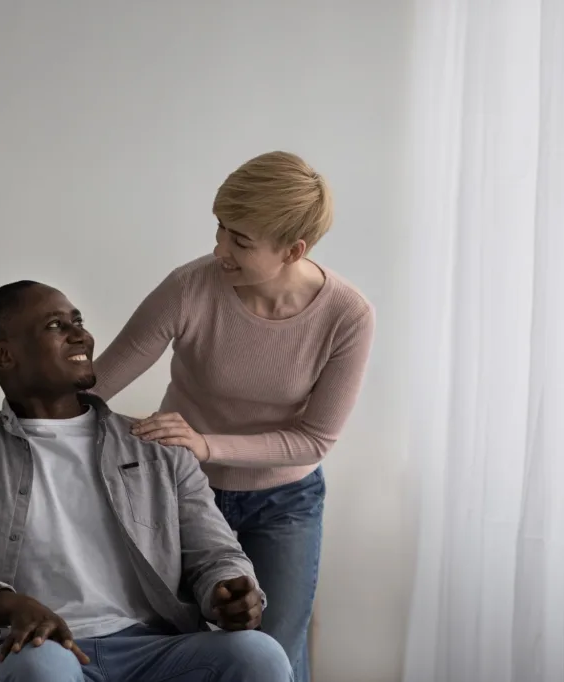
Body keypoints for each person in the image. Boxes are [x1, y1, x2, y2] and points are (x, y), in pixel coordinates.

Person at [0, 280, 293, 682]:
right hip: (36, 649)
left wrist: (227, 590)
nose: (81, 335)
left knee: (259, 655)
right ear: (3, 354)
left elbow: (216, 553)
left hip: (154, 648)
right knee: (42, 668)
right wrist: (5, 603)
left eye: (78, 321)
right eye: (56, 325)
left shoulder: (155, 446)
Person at [91, 151, 376, 682]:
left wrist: (206, 443)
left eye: (241, 241)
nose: (220, 249)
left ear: (294, 250)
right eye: (221, 230)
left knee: (275, 657)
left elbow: (314, 440)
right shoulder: (189, 288)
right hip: (180, 493)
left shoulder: (347, 315)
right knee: (173, 653)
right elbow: (98, 386)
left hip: (284, 504)